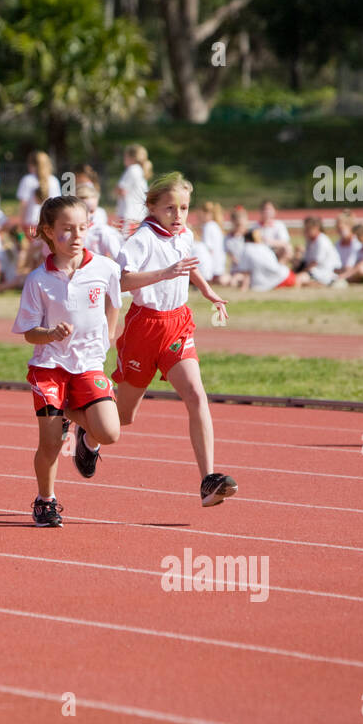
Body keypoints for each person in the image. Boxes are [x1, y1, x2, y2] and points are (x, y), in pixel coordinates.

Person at [112, 173, 237, 507]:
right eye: (170, 208)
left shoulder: (185, 233)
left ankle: (208, 481)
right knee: (123, 418)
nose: (178, 215)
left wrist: (208, 290)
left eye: (183, 207)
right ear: (152, 207)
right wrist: (163, 273)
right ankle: (86, 422)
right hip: (145, 327)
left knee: (197, 395)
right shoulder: (142, 239)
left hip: (177, 325)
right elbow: (120, 281)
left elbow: (187, 263)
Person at [12, 195, 122, 527]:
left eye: (82, 228)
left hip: (88, 363)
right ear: (47, 231)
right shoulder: (38, 281)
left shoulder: (104, 267)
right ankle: (46, 500)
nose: (76, 237)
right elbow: (30, 333)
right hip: (49, 367)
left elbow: (114, 300)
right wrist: (51, 333)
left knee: (110, 431)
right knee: (50, 443)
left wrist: (109, 335)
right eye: (66, 230)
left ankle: (84, 439)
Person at [295, 216, 343, 287]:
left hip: (325, 272)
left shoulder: (321, 241)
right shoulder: (310, 241)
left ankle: (322, 284)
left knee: (298, 280)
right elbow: (307, 260)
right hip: (316, 271)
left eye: (308, 228)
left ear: (316, 228)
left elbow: (315, 263)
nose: (305, 231)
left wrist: (302, 272)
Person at [114, 144, 151, 230]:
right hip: (138, 214)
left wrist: (116, 191)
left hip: (128, 214)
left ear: (131, 157)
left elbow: (121, 189)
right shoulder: (140, 170)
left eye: (125, 156)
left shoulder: (132, 169)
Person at [195, 201, 228, 284]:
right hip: (219, 266)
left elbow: (207, 249)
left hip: (212, 268)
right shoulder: (215, 225)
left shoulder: (208, 226)